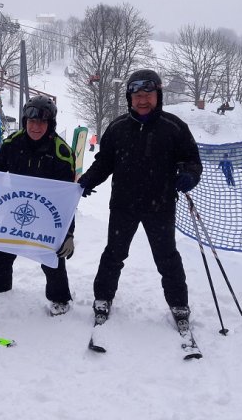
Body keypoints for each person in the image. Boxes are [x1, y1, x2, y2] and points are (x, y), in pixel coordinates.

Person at [77, 69, 202, 330]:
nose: (142, 101)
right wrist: (87, 180)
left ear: (158, 95)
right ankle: (103, 298)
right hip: (124, 204)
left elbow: (192, 159)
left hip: (160, 205)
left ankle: (179, 304)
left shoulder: (174, 127)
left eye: (148, 95)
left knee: (167, 257)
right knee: (114, 254)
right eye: (137, 96)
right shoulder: (117, 127)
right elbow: (104, 162)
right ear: (129, 98)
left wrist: (189, 175)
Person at [0, 95, 76, 316]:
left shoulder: (61, 153)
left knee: (52, 257)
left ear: (50, 124)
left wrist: (68, 233)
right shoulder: (13, 142)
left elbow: (67, 198)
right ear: (25, 121)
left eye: (42, 122)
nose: (36, 127)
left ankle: (59, 298)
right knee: (1, 249)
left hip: (48, 214)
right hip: (16, 207)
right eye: (32, 121)